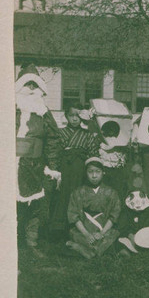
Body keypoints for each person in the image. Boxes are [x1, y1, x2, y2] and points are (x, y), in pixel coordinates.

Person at [16, 64, 62, 255]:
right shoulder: (9, 108)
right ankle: (12, 241)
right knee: (12, 205)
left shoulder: (44, 112)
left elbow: (53, 138)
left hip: (36, 164)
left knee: (36, 205)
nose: (31, 90)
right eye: (28, 85)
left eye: (35, 85)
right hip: (12, 164)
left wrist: (52, 166)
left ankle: (31, 242)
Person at [50, 101, 100, 240]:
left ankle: (78, 228)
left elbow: (93, 153)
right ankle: (59, 229)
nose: (74, 119)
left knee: (78, 196)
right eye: (71, 115)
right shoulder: (60, 133)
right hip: (64, 170)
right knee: (62, 197)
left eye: (78, 116)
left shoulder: (87, 134)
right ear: (66, 116)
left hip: (80, 170)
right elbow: (55, 152)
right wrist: (55, 170)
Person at [66, 157, 121, 259]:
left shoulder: (111, 193)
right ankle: (94, 251)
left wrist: (102, 233)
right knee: (75, 235)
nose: (94, 176)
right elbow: (74, 216)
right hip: (84, 231)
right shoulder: (78, 192)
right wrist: (86, 234)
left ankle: (83, 250)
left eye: (97, 172)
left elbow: (114, 215)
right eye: (90, 172)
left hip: (103, 230)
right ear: (86, 173)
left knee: (113, 237)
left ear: (103, 173)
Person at [98, 120, 129, 200]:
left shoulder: (121, 142)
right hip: (105, 168)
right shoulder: (102, 142)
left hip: (117, 169)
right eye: (109, 130)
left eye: (113, 130)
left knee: (117, 191)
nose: (111, 132)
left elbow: (123, 157)